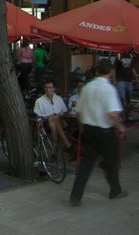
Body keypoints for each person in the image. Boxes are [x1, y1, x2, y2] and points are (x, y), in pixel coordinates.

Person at [70, 59, 128, 206]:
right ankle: (115, 190)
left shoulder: (88, 87)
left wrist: (82, 127)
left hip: (89, 129)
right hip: (104, 131)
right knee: (111, 161)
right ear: (110, 72)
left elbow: (79, 111)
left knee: (86, 164)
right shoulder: (109, 89)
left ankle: (75, 196)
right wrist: (120, 127)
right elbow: (113, 114)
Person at [34, 81, 71, 149]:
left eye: (50, 88)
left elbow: (65, 111)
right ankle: (66, 144)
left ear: (54, 89)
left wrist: (58, 115)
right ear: (44, 88)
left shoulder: (58, 98)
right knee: (53, 121)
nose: (48, 90)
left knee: (55, 120)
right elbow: (38, 117)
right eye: (46, 87)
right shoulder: (39, 101)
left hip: (60, 121)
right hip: (45, 124)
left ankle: (54, 148)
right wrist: (50, 117)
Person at [115, 52, 136, 122]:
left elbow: (132, 68)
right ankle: (122, 115)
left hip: (129, 81)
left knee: (128, 99)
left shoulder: (130, 55)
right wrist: (115, 80)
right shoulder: (119, 55)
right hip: (121, 81)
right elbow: (114, 68)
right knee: (121, 98)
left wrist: (136, 78)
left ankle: (128, 114)